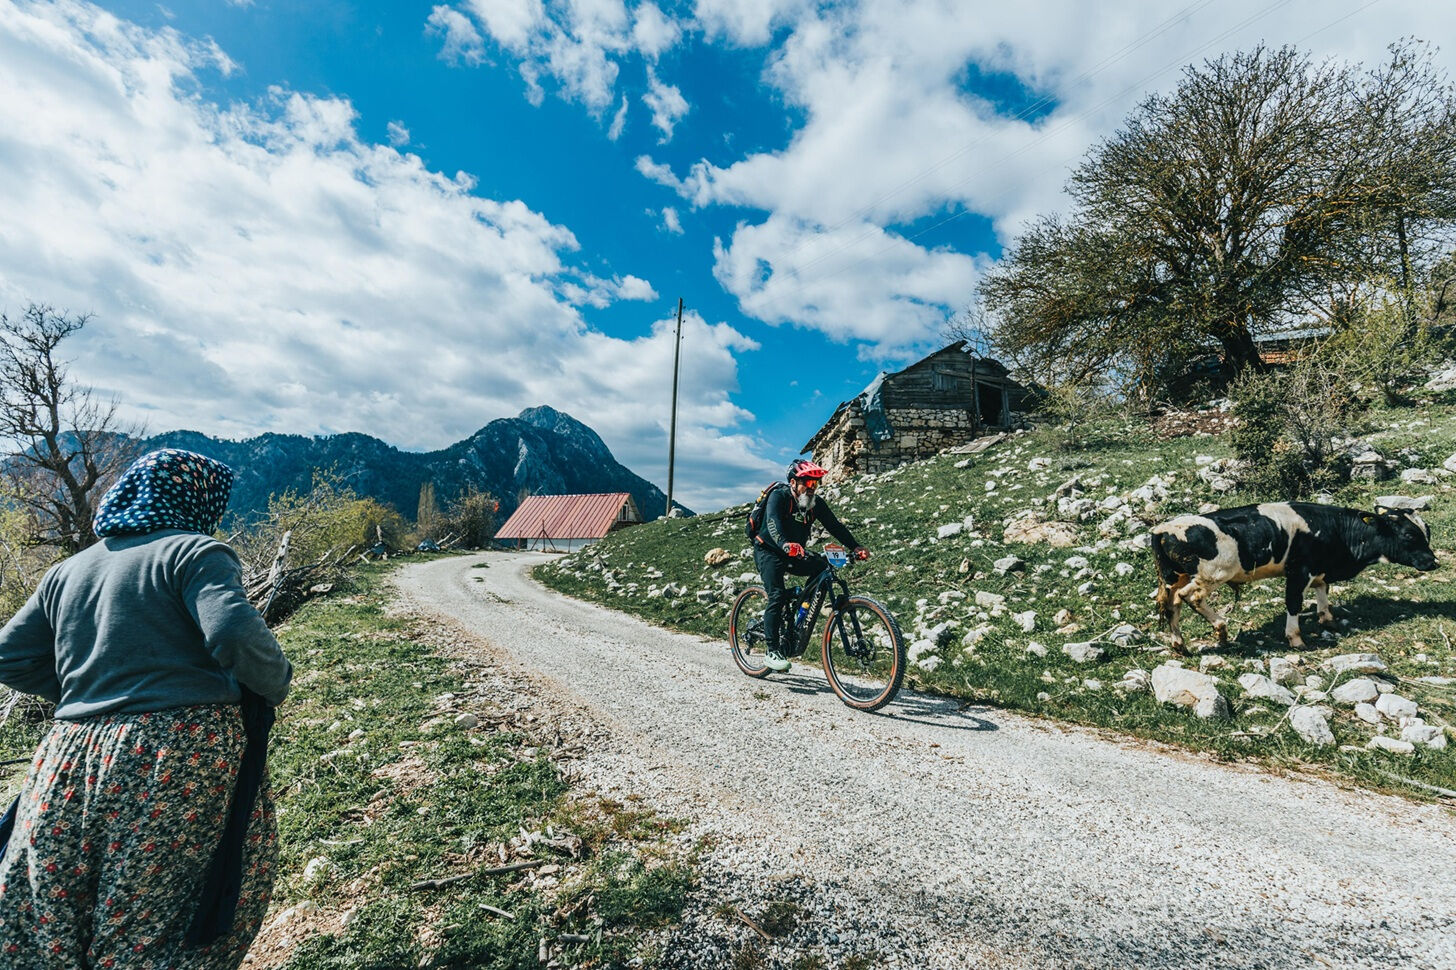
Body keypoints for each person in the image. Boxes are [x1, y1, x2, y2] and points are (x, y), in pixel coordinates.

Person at [0, 448, 293, 969]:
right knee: (157, 914)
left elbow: (9, 657)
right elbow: (230, 632)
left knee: (58, 906)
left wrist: (84, 693)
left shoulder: (68, 570)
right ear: (196, 499)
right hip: (173, 754)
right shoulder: (194, 552)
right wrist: (274, 684)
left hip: (67, 756)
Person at [750, 458, 869, 671]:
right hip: (768, 550)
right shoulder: (779, 496)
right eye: (808, 483)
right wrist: (785, 544)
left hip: (795, 552)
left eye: (816, 484)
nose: (812, 488)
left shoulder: (814, 504)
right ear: (793, 483)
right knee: (776, 595)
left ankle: (800, 606)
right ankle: (771, 650)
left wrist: (855, 547)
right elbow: (772, 523)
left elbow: (835, 526)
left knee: (822, 568)